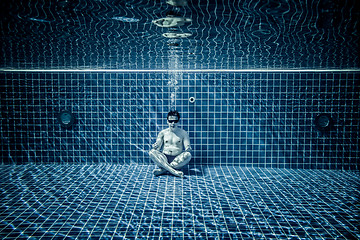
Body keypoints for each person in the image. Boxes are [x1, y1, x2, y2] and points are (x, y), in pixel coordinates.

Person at [149, 110, 192, 177]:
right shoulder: (163, 133)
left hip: (177, 161)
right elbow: (158, 146)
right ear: (167, 121)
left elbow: (187, 146)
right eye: (170, 121)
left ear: (178, 121)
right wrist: (155, 146)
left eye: (175, 121)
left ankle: (164, 170)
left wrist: (188, 148)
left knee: (188, 155)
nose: (173, 123)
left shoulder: (183, 133)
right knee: (152, 152)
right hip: (164, 159)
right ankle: (174, 171)